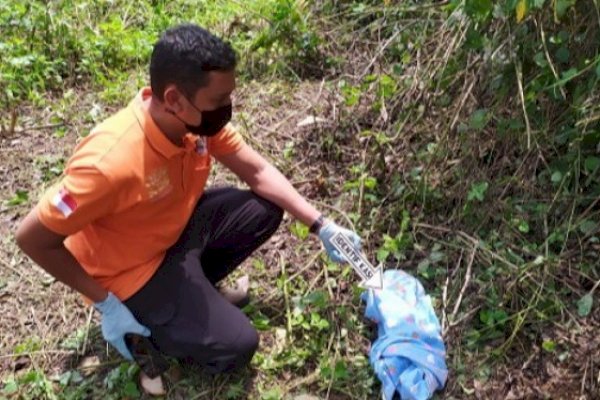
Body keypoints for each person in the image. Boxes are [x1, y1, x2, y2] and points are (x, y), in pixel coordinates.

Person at [15, 24, 361, 374]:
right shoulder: (109, 163)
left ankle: (194, 290)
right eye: (218, 101)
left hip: (169, 233)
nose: (227, 109)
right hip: (130, 274)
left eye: (229, 97)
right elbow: (31, 238)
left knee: (264, 208)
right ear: (174, 99)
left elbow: (257, 172)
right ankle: (146, 326)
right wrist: (106, 303)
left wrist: (321, 225)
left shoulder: (194, 125)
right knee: (238, 346)